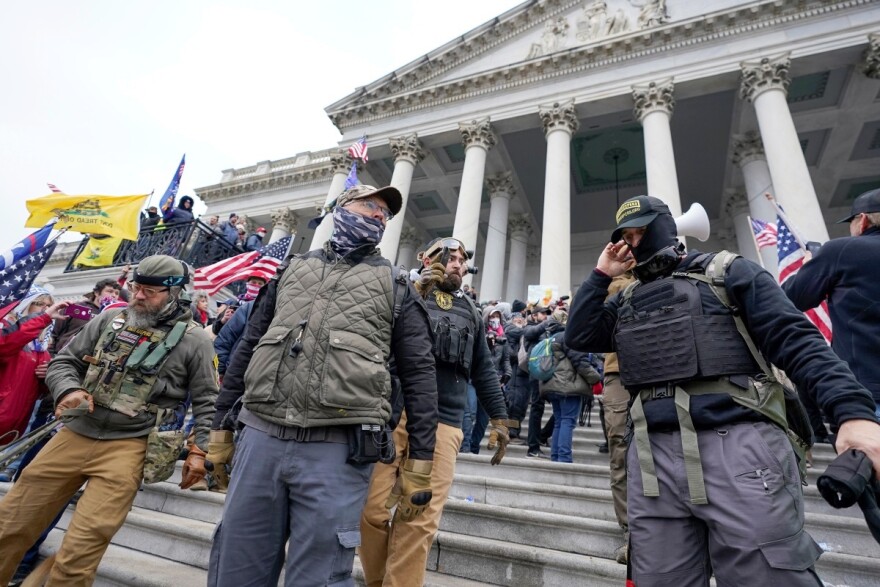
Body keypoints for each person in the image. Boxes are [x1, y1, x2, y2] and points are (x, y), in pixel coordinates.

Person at [565, 195, 880, 586]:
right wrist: (601, 274)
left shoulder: (729, 271)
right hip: (651, 457)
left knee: (766, 575)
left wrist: (852, 412)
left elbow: (795, 339)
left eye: (641, 231)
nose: (634, 242)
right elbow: (578, 335)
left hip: (739, 446)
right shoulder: (626, 299)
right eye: (626, 236)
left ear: (663, 228)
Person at [207, 184, 438, 587]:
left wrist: (420, 463)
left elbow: (419, 376)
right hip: (261, 436)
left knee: (319, 576)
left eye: (385, 213)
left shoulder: (399, 287)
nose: (378, 217)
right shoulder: (289, 272)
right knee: (236, 566)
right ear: (340, 209)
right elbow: (247, 347)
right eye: (369, 206)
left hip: (338, 449)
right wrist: (218, 430)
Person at [0, 255, 219, 586]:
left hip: (129, 446)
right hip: (74, 433)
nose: (139, 295)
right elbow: (65, 363)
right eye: (135, 287)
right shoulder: (109, 319)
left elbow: (207, 400)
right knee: (9, 525)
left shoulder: (196, 340)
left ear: (174, 293)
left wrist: (200, 451)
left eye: (150, 290)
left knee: (80, 551)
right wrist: (68, 391)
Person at [359, 237, 511, 587]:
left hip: (445, 422)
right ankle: (377, 581)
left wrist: (500, 419)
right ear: (423, 258)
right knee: (372, 510)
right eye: (448, 256)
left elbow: (484, 370)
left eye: (461, 259)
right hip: (394, 415)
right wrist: (417, 293)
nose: (457, 263)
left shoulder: (471, 312)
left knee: (420, 518)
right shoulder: (400, 292)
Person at [782, 187, 880, 416]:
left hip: (869, 391)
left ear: (863, 220)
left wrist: (808, 266)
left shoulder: (843, 251)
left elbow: (789, 299)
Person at [0, 287, 69, 447]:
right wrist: (43, 318)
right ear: (25, 304)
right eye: (40, 304)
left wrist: (47, 376)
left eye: (49, 305)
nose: (46, 309)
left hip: (14, 428)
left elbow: (38, 390)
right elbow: (6, 345)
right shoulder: (5, 327)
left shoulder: (40, 346)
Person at [538, 309, 601, 463]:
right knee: (567, 421)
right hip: (567, 386)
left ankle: (556, 456)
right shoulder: (568, 338)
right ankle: (564, 458)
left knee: (560, 421)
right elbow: (581, 362)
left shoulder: (550, 338)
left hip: (552, 386)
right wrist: (596, 379)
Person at [50, 278, 120, 353]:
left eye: (116, 293)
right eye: (110, 291)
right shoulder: (76, 307)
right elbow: (53, 333)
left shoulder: (115, 316)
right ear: (96, 293)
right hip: (63, 355)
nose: (113, 295)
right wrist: (50, 356)